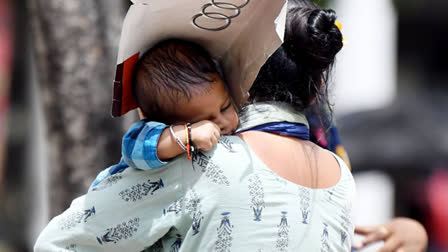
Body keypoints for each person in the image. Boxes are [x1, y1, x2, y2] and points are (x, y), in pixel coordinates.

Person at [35, 1, 355, 251]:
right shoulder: (343, 181)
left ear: (237, 72)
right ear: (318, 83)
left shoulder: (201, 159)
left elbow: (60, 242)